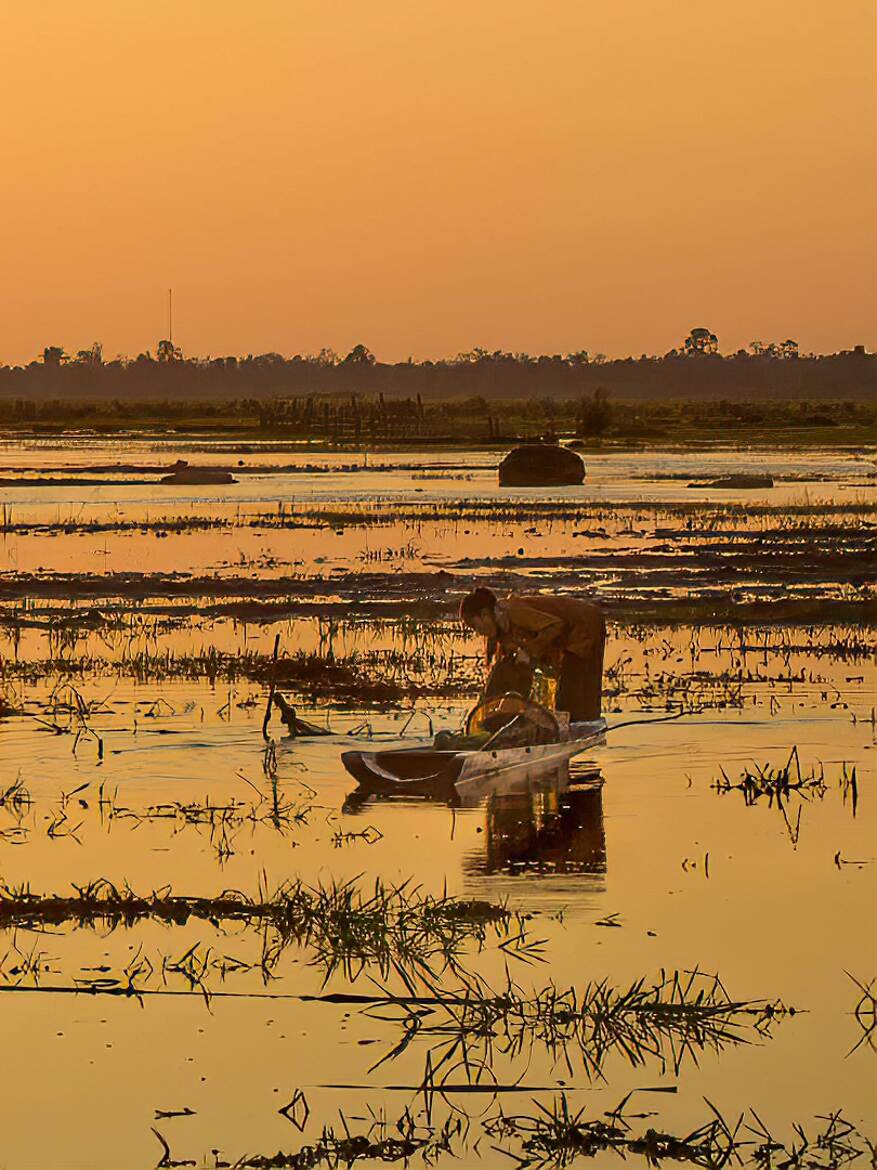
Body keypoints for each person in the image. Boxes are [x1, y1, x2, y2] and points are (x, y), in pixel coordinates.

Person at [459, 587, 606, 721]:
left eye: (475, 626)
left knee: (576, 691)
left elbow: (556, 625)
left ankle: (584, 729)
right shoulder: (502, 629)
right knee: (567, 694)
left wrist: (530, 650)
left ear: (485, 614)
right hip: (571, 636)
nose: (478, 632)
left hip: (585, 625)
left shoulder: (514, 611)